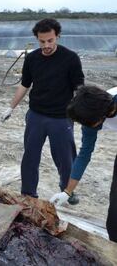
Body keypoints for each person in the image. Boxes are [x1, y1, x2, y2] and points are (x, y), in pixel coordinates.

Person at [0, 18, 84, 202]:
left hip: (62, 118)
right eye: (42, 41)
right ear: (37, 39)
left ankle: (67, 190)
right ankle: (28, 193)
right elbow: (24, 85)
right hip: (36, 115)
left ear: (57, 37)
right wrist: (10, 107)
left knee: (65, 157)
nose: (46, 45)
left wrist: (81, 112)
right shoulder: (32, 58)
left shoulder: (70, 58)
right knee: (30, 156)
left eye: (50, 41)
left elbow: (79, 89)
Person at [50, 86, 117, 242]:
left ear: (100, 116)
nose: (85, 126)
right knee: (114, 216)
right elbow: (84, 154)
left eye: (87, 123)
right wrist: (67, 192)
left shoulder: (96, 112)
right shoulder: (92, 115)